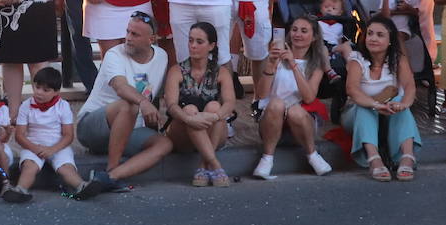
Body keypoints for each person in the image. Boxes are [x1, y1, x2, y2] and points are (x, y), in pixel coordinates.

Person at [75, 11, 171, 192]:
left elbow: (155, 96)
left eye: (135, 34)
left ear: (152, 39)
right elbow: (121, 87)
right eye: (127, 32)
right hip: (91, 127)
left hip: (129, 129)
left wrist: (152, 119)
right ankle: (111, 166)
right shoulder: (114, 54)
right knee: (129, 104)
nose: (128, 38)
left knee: (164, 144)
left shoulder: (162, 57)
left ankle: (110, 177)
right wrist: (143, 102)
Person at [252, 15, 333, 180]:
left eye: (304, 31)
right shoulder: (274, 55)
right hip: (272, 121)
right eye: (295, 30)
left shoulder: (316, 64)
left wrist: (294, 65)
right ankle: (267, 159)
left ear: (314, 37)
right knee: (276, 104)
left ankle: (312, 155)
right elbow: (260, 94)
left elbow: (309, 98)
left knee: (295, 110)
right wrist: (271, 65)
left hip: (301, 123)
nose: (298, 34)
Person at [342, 16, 422, 181]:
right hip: (355, 114)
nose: (373, 38)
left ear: (390, 40)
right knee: (365, 105)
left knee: (400, 100)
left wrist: (403, 104)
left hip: (388, 112)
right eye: (370, 34)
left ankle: (406, 157)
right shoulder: (357, 59)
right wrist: (376, 105)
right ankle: (374, 159)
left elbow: (409, 87)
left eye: (380, 35)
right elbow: (352, 90)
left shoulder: (397, 59)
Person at [162, 21, 236, 187]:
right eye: (190, 40)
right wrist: (189, 119)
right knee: (189, 109)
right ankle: (215, 165)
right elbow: (171, 106)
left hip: (213, 131)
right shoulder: (177, 71)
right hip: (182, 132)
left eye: (199, 42)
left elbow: (230, 103)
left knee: (215, 107)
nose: (192, 46)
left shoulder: (221, 72)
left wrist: (214, 115)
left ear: (211, 46)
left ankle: (204, 165)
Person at [4, 66, 83, 203]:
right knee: (29, 166)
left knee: (66, 168)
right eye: (37, 87)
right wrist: (36, 148)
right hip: (33, 145)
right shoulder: (26, 106)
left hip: (58, 146)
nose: (39, 92)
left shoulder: (63, 106)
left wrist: (52, 149)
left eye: (46, 90)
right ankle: (20, 190)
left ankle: (82, 186)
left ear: (56, 92)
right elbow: (20, 135)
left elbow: (68, 135)